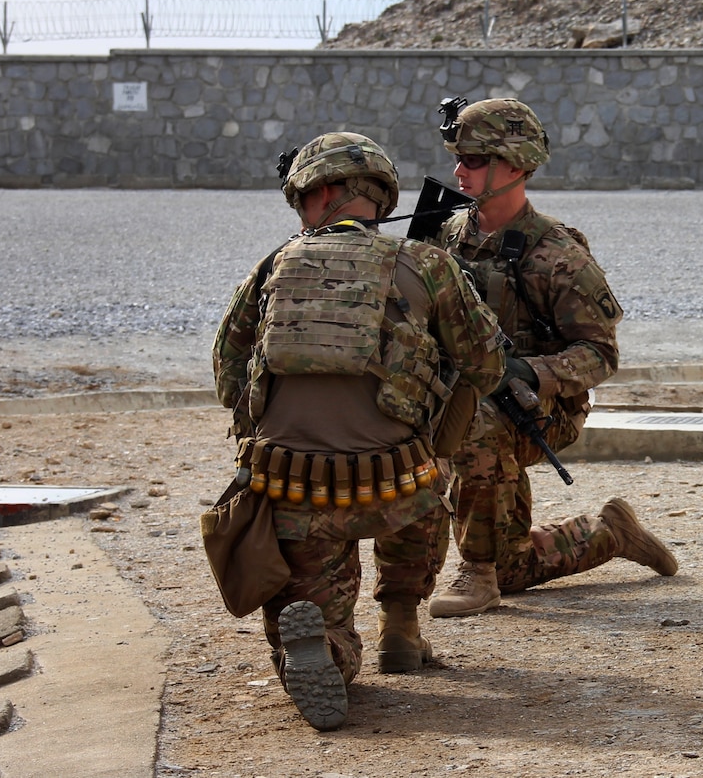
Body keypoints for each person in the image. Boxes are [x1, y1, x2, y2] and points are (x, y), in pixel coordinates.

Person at [212, 132, 504, 729]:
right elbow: (486, 363)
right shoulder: (427, 264)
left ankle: (328, 647)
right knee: (429, 470)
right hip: (398, 481)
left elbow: (228, 366)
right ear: (377, 196)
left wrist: (257, 437)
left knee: (312, 612)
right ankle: (400, 625)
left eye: (300, 200)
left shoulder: (273, 264)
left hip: (291, 485)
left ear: (322, 194)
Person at [424, 97, 678, 619]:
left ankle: (477, 571)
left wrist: (531, 372)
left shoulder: (557, 255)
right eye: (458, 158)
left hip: (538, 408)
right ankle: (608, 533)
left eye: (473, 160)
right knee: (514, 566)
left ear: (514, 165)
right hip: (469, 395)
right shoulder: (445, 237)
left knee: (472, 422)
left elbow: (600, 353)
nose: (458, 171)